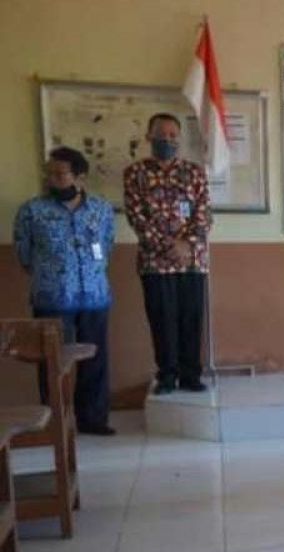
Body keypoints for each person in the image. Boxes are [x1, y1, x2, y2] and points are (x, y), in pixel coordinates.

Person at [14, 147, 116, 436]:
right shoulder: (32, 211)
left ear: (80, 178)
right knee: (52, 362)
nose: (53, 180)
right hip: (52, 298)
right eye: (50, 174)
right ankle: (55, 422)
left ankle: (92, 419)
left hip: (94, 296)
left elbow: (107, 245)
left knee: (94, 358)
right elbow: (24, 254)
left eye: (60, 174)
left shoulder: (101, 209)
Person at [123, 113, 212, 395]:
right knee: (162, 319)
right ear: (149, 137)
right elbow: (136, 217)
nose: (168, 140)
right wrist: (167, 246)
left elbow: (204, 213)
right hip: (154, 262)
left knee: (191, 317)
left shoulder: (194, 172)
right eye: (162, 134)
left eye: (173, 135)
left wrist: (186, 244)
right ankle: (168, 375)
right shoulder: (135, 173)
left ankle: (190, 375)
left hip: (192, 260)